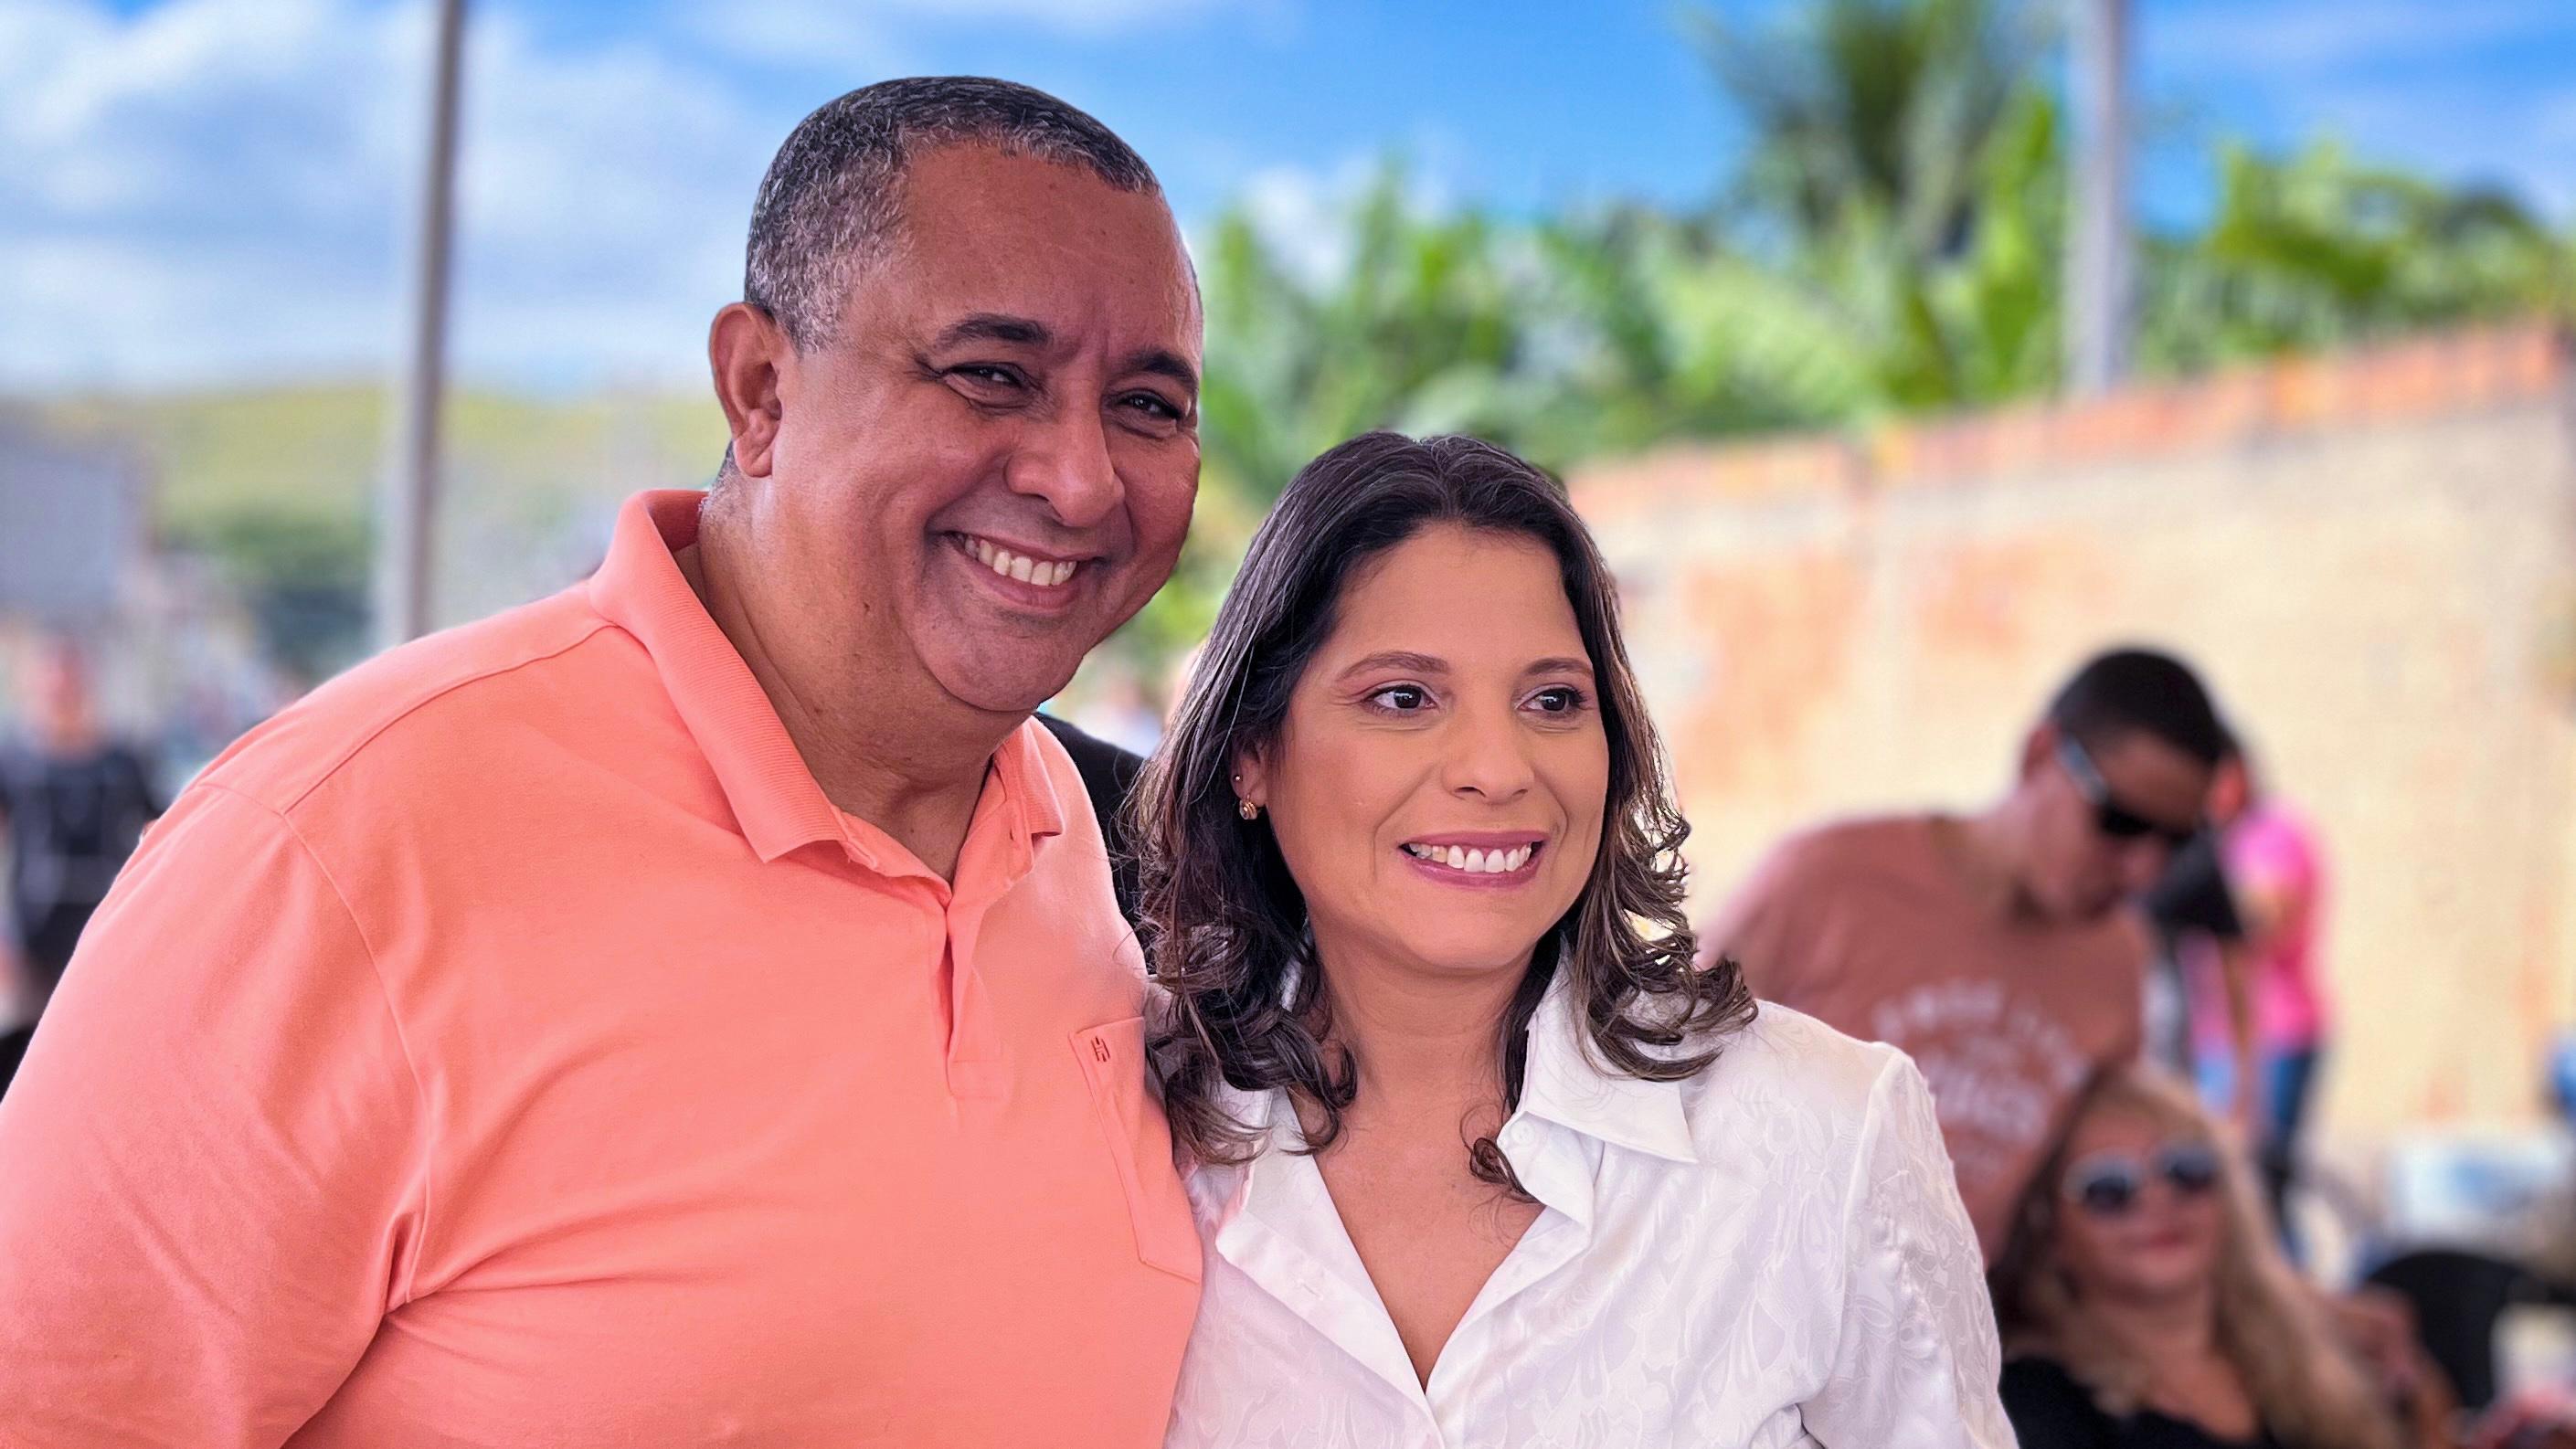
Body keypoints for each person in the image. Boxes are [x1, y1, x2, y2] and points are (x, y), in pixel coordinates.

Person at [0, 77, 1204, 1446]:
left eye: (1147, 403)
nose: (1080, 479)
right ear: (760, 390)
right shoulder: (336, 847)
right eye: (991, 374)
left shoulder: (1103, 850)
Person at [1142, 433, 2010, 1447]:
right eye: (1403, 697)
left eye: (1552, 700)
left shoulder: (1824, 1131)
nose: (1497, 767)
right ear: (1250, 752)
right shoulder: (1136, 1122)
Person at [1701, 647, 2225, 1262]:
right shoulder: (1823, 881)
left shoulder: (2116, 960)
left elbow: (2094, 1185)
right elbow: (1670, 1082)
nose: (2144, 870)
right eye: (2120, 822)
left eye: (2176, 843)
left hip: (1963, 1316)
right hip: (1769, 1286)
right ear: (2039, 754)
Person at [1992, 1066, 2439, 1449]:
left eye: (2186, 1169)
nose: (2159, 1200)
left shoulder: (2323, 1356)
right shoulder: (2032, 1403)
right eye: (2109, 1188)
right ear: (2050, 1234)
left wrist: (2422, 1396)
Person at [0, 637, 163, 1095]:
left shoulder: (123, 764)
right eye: (53, 689)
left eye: (70, 687)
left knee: (104, 1063)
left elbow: (162, 832)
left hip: (108, 937)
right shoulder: (14, 762)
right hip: (34, 940)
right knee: (32, 1069)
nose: (62, 697)